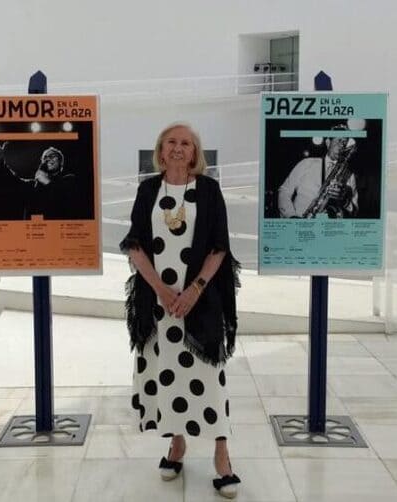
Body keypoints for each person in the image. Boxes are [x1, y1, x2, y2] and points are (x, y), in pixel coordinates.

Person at [120, 122, 242, 498]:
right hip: (157, 307)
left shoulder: (208, 190)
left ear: (195, 152)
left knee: (210, 377)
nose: (178, 148)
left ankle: (222, 455)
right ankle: (177, 444)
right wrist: (160, 290)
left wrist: (193, 291)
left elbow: (219, 247)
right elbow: (134, 244)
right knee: (167, 375)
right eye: (171, 142)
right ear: (160, 150)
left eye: (185, 143)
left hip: (200, 302)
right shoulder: (147, 190)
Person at [277, 126, 359, 219]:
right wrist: (291, 216)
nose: (342, 146)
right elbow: (284, 191)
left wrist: (345, 201)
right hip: (299, 223)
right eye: (339, 141)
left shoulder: (350, 175)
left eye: (345, 143)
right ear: (328, 142)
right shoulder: (307, 163)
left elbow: (355, 211)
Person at [0, 140, 79, 220]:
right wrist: (0, 164)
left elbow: (66, 200)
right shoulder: (33, 186)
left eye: (53, 156)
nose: (48, 158)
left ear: (61, 163)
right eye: (45, 157)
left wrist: (47, 181)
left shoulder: (69, 180)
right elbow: (12, 181)